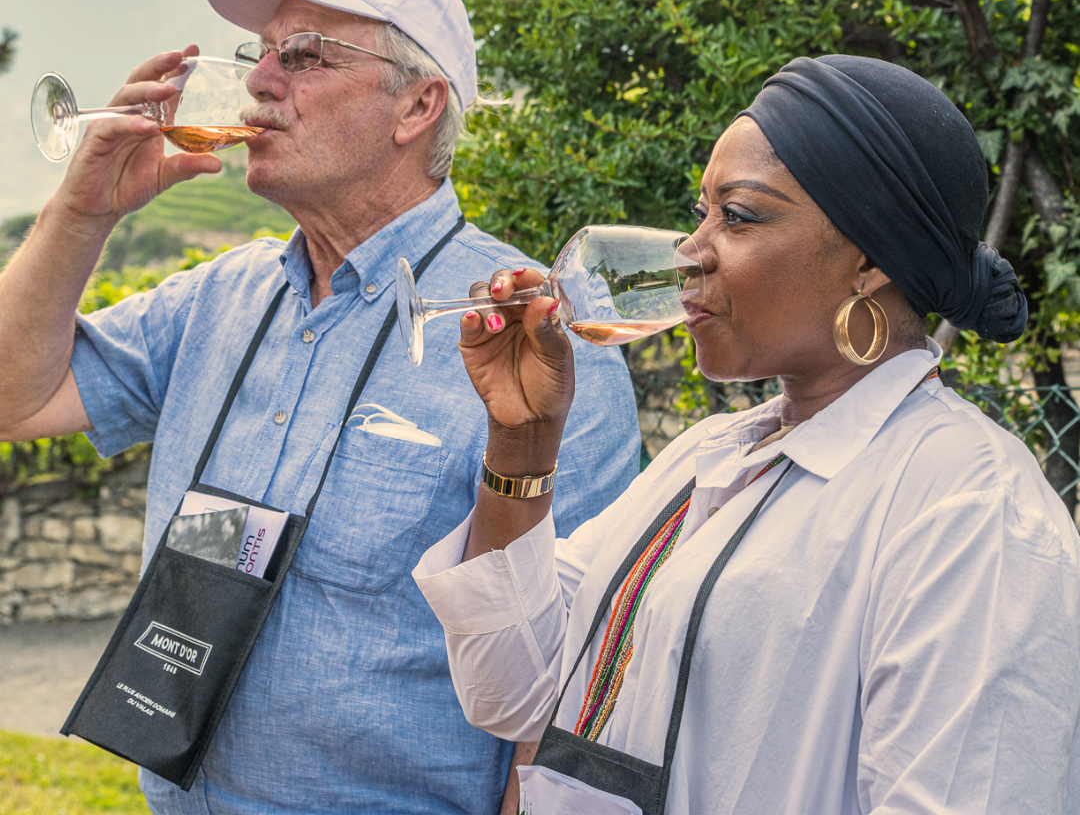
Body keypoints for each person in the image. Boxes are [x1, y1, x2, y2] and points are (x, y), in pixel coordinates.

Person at [0, 0, 641, 814]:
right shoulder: (218, 297)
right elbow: (15, 397)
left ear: (418, 105)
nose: (258, 81)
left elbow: (578, 686)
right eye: (261, 53)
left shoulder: (536, 338)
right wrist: (82, 211)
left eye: (302, 54)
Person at [414, 55, 1080, 814]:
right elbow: (513, 690)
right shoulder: (708, 456)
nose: (690, 252)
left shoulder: (969, 512)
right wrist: (523, 442)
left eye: (738, 216)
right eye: (701, 213)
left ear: (868, 260)